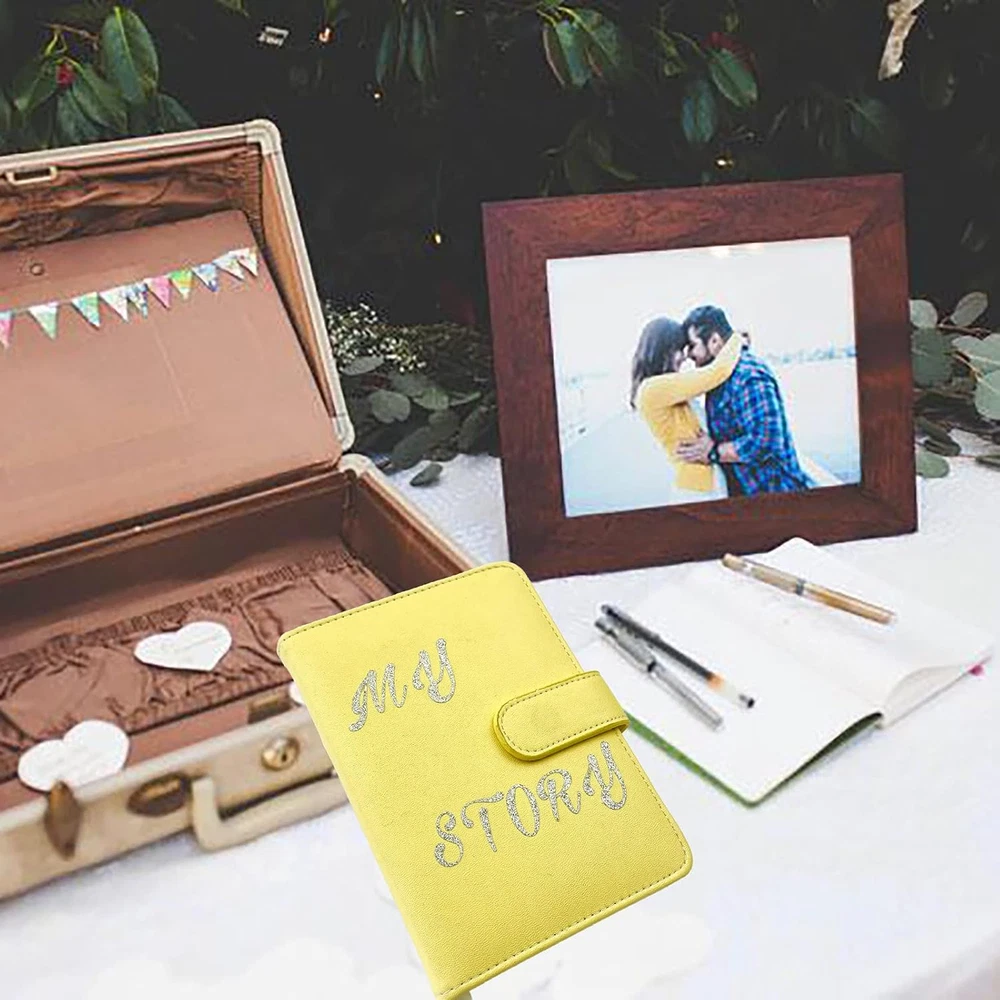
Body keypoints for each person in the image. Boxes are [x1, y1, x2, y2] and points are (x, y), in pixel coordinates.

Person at [676, 305, 813, 496]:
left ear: (714, 341)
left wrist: (713, 452)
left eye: (692, 345)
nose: (689, 354)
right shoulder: (719, 375)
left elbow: (766, 441)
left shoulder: (748, 375)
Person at [630, 316, 742, 497]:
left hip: (703, 484)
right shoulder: (652, 388)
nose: (684, 357)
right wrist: (736, 338)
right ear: (661, 349)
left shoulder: (666, 388)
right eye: (678, 349)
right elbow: (718, 372)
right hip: (696, 489)